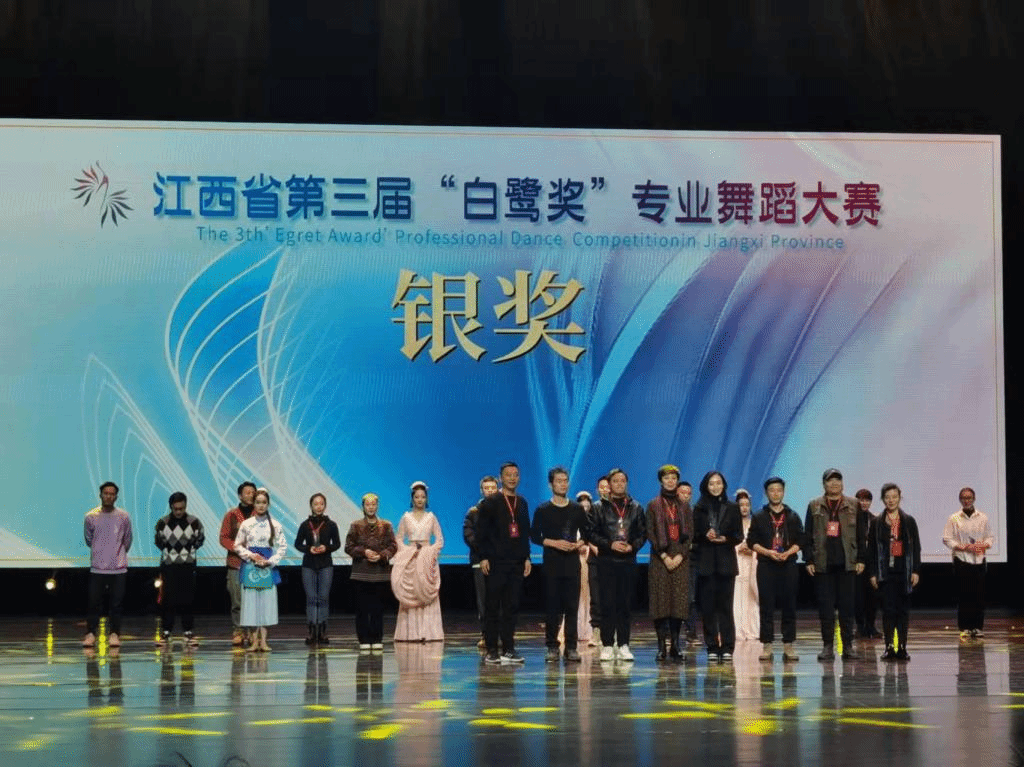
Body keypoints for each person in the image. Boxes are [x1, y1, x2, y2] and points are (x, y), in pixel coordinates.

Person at [804, 468, 865, 661]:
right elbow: (807, 535)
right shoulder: (814, 505)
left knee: (847, 608)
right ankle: (827, 646)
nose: (834, 483)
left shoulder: (854, 504)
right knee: (826, 608)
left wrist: (861, 559)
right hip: (823, 564)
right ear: (824, 484)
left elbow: (861, 534)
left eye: (838, 480)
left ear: (842, 483)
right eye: (830, 480)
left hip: (847, 563)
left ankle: (847, 646)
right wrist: (809, 559)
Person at [530, 467, 588, 663]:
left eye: (565, 480)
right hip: (552, 564)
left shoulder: (576, 509)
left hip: (572, 563)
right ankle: (552, 646)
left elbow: (587, 533)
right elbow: (534, 536)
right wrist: (554, 543)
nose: (563, 484)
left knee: (572, 607)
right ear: (551, 484)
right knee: (552, 607)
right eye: (559, 481)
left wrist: (578, 544)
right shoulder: (543, 509)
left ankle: (571, 647)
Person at [477, 461, 532, 664]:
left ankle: (509, 648)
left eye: (516, 474)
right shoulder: (490, 502)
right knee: (493, 606)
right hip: (495, 562)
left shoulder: (522, 502)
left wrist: (527, 557)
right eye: (508, 475)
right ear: (501, 478)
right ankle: (492, 649)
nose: (512, 478)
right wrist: (483, 557)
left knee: (512, 606)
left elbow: (524, 532)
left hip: (516, 562)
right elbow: (481, 532)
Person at [590, 468, 646, 662]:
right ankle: (607, 644)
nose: (620, 484)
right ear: (609, 484)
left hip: (628, 562)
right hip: (606, 561)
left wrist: (633, 546)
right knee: (607, 604)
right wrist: (610, 544)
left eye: (623, 481)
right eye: (616, 481)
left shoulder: (636, 507)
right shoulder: (598, 507)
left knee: (625, 605)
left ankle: (623, 644)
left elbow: (642, 533)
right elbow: (591, 533)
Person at [746, 477, 803, 662]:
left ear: (783, 492)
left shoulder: (792, 516)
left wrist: (788, 552)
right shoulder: (759, 516)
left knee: (789, 605)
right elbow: (752, 542)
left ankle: (788, 645)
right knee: (766, 606)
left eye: (779, 490)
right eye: (772, 490)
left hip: (788, 565)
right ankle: (767, 645)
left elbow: (801, 540)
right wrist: (768, 552)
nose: (776, 493)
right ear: (766, 493)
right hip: (766, 565)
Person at [867, 483, 921, 661]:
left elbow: (916, 548)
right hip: (885, 573)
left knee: (903, 611)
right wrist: (873, 573)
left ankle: (902, 647)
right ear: (883, 499)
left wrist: (915, 570)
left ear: (899, 498)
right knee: (888, 611)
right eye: (887, 497)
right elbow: (871, 551)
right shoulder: (877, 522)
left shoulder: (908, 521)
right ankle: (889, 647)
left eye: (894, 497)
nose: (891, 500)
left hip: (904, 571)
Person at [691, 470, 742, 662]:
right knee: (708, 608)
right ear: (706, 486)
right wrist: (705, 535)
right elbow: (693, 535)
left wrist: (726, 538)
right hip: (705, 563)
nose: (715, 487)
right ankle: (712, 646)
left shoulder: (733, 507)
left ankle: (728, 646)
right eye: (711, 483)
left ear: (724, 485)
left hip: (726, 563)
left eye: (718, 483)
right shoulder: (699, 508)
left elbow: (739, 536)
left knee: (726, 608)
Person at [646, 464, 691, 662]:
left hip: (680, 558)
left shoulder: (685, 506)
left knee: (677, 604)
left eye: (673, 478)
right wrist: (664, 556)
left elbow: (690, 534)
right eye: (667, 478)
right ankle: (661, 646)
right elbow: (650, 532)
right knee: (661, 603)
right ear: (661, 481)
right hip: (660, 559)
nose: (670, 481)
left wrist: (680, 555)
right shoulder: (653, 505)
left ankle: (675, 645)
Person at [233, 488, 287, 652]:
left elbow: (283, 547)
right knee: (251, 604)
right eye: (258, 502)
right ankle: (254, 641)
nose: (261, 505)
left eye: (264, 502)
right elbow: (237, 545)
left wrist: (270, 561)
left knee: (266, 604)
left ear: (268, 504)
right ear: (254, 504)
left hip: (267, 567)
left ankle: (263, 641)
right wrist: (251, 555)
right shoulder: (247, 524)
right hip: (251, 566)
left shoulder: (275, 525)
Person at [391, 481, 444, 642]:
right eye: (417, 497)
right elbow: (398, 539)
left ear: (426, 498)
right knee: (412, 593)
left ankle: (429, 633)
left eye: (422, 497)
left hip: (427, 560)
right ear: (412, 498)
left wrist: (429, 552)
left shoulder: (431, 517)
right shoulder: (406, 517)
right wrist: (410, 551)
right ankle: (410, 633)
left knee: (427, 594)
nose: (420, 500)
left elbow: (439, 540)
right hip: (411, 559)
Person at [83, 481, 133, 648]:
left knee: (116, 604)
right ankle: (91, 633)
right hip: (98, 568)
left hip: (118, 569)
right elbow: (89, 539)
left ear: (116, 497)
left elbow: (127, 539)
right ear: (101, 495)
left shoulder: (123, 516)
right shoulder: (91, 517)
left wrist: (118, 555)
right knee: (93, 603)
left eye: (112, 494)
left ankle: (114, 633)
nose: (109, 496)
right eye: (106, 493)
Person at [346, 493, 398, 650]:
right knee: (362, 608)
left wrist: (381, 555)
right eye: (367, 505)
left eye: (373, 504)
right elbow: (348, 547)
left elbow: (393, 546)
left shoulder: (386, 525)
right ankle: (363, 639)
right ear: (363, 507)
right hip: (361, 573)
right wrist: (364, 552)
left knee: (377, 608)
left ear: (377, 506)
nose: (371, 507)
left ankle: (376, 638)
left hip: (380, 574)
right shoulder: (355, 525)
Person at [153, 491, 205, 647]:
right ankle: (166, 632)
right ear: (171, 507)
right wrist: (172, 553)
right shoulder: (163, 522)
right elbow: (159, 541)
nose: (178, 512)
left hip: (187, 565)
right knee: (167, 599)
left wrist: (186, 552)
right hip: (169, 566)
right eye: (175, 509)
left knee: (187, 599)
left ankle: (188, 632)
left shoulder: (194, 522)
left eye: (181, 509)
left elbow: (200, 539)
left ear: (185, 506)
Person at [943, 487, 993, 640]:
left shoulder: (982, 517)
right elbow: (947, 539)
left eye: (969, 498)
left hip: (978, 560)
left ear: (974, 499)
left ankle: (977, 627)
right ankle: (965, 627)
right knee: (964, 595)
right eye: (964, 498)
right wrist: (963, 546)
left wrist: (983, 545)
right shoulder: (954, 518)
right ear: (960, 500)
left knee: (979, 595)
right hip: (962, 559)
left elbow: (990, 537)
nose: (966, 500)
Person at [294, 492, 342, 645]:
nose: (319, 506)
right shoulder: (305, 525)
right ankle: (312, 631)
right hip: (308, 564)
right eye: (316, 504)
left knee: (323, 598)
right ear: (311, 506)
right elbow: (297, 544)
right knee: (311, 598)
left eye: (321, 504)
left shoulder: (331, 525)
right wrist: (309, 549)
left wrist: (326, 548)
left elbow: (337, 544)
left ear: (325, 506)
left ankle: (322, 631)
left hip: (325, 564)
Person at [220, 481, 256, 646]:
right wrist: (238, 549)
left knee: (254, 600)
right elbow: (224, 538)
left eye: (253, 492)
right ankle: (238, 631)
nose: (251, 495)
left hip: (254, 564)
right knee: (237, 600)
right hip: (235, 563)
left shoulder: (260, 515)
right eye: (247, 492)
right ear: (240, 496)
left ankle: (253, 632)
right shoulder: (232, 515)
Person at [464, 475, 498, 648]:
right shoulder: (473, 512)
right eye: (487, 488)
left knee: (500, 600)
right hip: (479, 561)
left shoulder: (504, 511)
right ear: (481, 490)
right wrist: (484, 550)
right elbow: (468, 535)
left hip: (500, 562)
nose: (490, 491)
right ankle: (486, 635)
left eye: (493, 488)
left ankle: (501, 635)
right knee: (483, 601)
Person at [584, 475, 611, 646]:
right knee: (596, 596)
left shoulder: (618, 509)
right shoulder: (593, 509)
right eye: (601, 487)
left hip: (613, 558)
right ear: (597, 490)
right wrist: (595, 548)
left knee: (613, 596)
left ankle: (612, 632)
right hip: (595, 558)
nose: (604, 490)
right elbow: (588, 531)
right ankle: (596, 631)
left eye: (607, 486)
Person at [854, 489, 882, 639]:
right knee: (858, 598)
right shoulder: (850, 519)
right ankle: (860, 627)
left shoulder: (875, 519)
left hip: (872, 563)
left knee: (872, 596)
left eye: (867, 500)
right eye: (861, 500)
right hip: (856, 562)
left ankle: (871, 626)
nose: (864, 503)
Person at [733, 489, 759, 642]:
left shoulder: (754, 524)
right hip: (736, 562)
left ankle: (752, 629)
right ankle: (737, 630)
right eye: (741, 505)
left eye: (747, 505)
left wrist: (752, 549)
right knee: (736, 597)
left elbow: (761, 543)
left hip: (751, 564)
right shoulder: (732, 525)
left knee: (751, 597)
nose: (744, 508)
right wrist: (738, 547)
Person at [677, 480, 699, 643]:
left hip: (691, 559)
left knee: (690, 597)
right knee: (672, 597)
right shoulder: (670, 513)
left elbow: (700, 537)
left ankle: (691, 632)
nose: (686, 496)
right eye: (682, 493)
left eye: (688, 493)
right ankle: (671, 632)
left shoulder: (695, 514)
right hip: (673, 559)